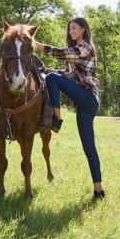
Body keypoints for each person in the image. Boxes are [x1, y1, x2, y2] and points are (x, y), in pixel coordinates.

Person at [33, 17, 105, 199]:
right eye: (69, 29)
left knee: (51, 79)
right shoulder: (75, 53)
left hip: (89, 97)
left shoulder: (86, 47)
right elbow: (66, 75)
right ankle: (99, 190)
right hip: (83, 104)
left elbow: (61, 53)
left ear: (83, 29)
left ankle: (56, 119)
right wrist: (46, 71)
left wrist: (38, 46)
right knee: (89, 147)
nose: (71, 31)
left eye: (74, 28)